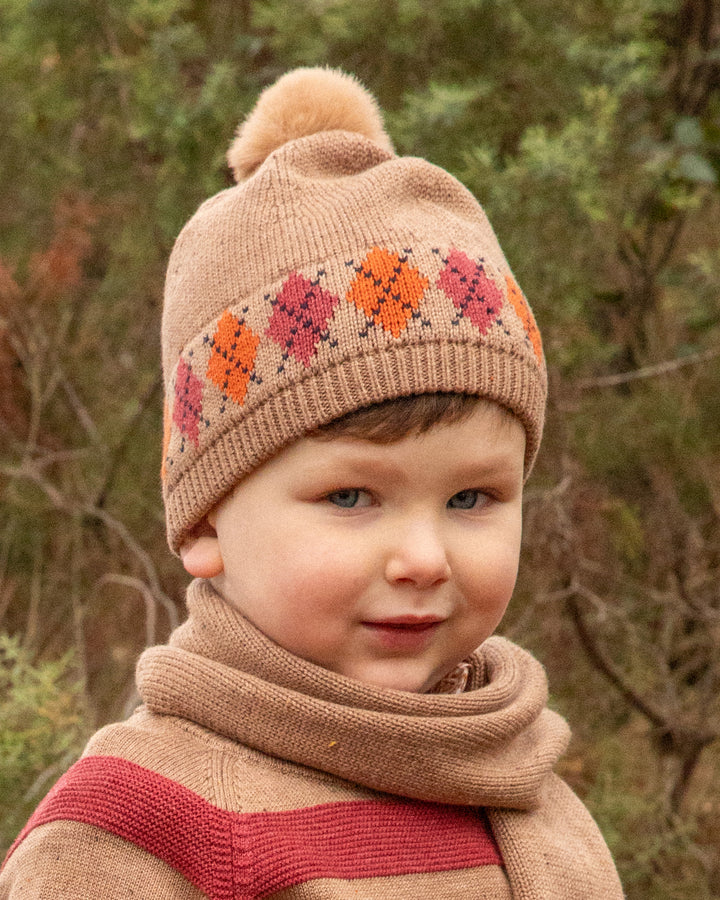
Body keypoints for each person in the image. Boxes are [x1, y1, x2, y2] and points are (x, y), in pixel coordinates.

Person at [0, 67, 624, 899]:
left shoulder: (531, 784)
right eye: (352, 497)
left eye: (471, 498)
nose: (423, 558)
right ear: (206, 523)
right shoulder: (137, 834)